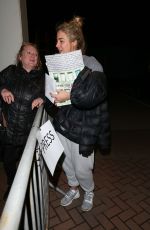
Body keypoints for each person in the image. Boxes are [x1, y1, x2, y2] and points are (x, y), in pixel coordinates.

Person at [44, 16, 111, 211]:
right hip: (63, 125)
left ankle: (88, 190)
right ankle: (73, 188)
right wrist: (47, 98)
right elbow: (51, 99)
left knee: (83, 168)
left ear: (74, 42)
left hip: (84, 129)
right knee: (67, 164)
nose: (57, 45)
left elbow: (95, 94)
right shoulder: (56, 65)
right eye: (56, 41)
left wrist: (70, 95)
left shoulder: (92, 63)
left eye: (61, 40)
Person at [0, 42, 45, 200]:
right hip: (10, 130)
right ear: (20, 57)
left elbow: (52, 95)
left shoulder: (41, 77)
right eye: (29, 53)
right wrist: (3, 89)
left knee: (29, 164)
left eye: (35, 54)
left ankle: (28, 191)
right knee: (8, 162)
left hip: (29, 133)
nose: (33, 56)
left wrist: (42, 98)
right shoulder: (10, 71)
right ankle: (12, 186)